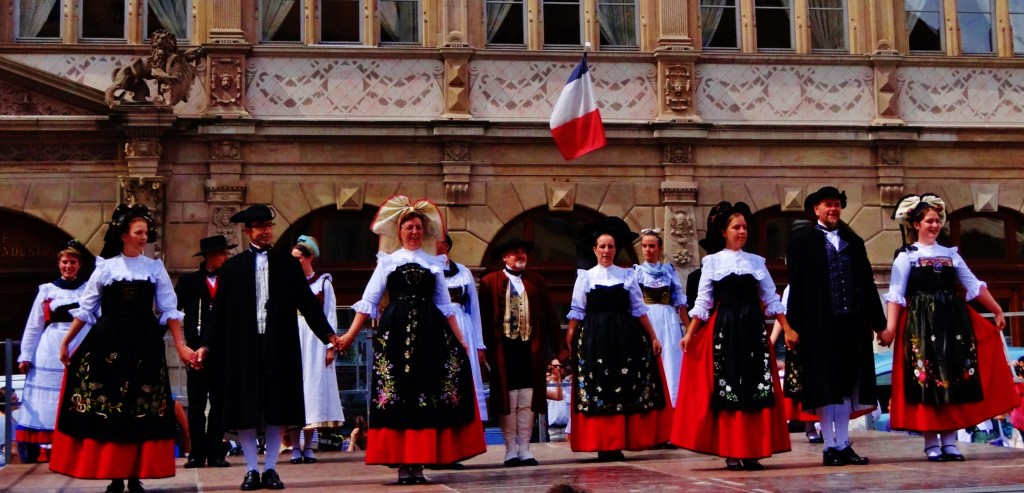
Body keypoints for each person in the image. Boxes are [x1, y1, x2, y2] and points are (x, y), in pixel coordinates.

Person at [336, 195, 485, 485]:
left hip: (430, 334)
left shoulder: (434, 263)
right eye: (409, 227)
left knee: (425, 395)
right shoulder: (388, 262)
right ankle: (403, 465)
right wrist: (350, 335)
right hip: (395, 334)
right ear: (399, 231)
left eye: (418, 227)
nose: (414, 232)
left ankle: (419, 464)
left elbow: (445, 306)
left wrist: (463, 341)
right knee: (398, 396)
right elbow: (369, 301)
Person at [50, 204, 196, 493]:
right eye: (139, 232)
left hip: (144, 344)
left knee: (140, 409)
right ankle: (115, 476)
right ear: (124, 235)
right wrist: (67, 341)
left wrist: (181, 345)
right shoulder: (105, 268)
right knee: (112, 409)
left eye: (146, 232)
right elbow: (87, 308)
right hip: (108, 344)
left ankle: (134, 475)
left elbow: (169, 309)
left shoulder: (154, 268)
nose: (144, 237)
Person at [197, 204, 343, 491]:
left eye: (269, 226)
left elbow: (307, 303)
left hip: (280, 344)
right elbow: (219, 312)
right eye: (261, 227)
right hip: (244, 346)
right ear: (247, 231)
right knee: (246, 406)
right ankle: (252, 469)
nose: (267, 231)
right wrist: (206, 346)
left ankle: (272, 468)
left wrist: (328, 335)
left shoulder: (287, 264)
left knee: (278, 405)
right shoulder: (233, 268)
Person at [880, 193, 1019, 462]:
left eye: (937, 220)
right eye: (929, 221)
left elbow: (972, 283)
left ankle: (950, 440)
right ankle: (931, 441)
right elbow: (895, 294)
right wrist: (890, 329)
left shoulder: (950, 254)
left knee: (954, 378)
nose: (935, 225)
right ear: (916, 224)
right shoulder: (906, 257)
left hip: (952, 324)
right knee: (927, 381)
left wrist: (996, 309)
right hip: (921, 325)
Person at [671, 201, 792, 471]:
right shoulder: (712, 262)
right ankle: (731, 450)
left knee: (755, 388)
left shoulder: (756, 262)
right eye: (736, 227)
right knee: (728, 389)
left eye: (745, 227)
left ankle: (752, 450)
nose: (742, 232)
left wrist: (787, 327)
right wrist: (690, 334)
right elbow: (703, 302)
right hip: (725, 328)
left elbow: (771, 298)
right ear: (724, 232)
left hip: (752, 328)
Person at [784, 186, 885, 466]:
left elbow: (867, 283)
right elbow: (797, 285)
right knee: (824, 385)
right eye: (828, 204)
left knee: (846, 386)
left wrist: (880, 324)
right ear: (816, 209)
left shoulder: (853, 240)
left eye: (837, 204)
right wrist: (792, 327)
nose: (833, 209)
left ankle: (843, 443)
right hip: (818, 325)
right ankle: (829, 445)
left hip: (851, 323)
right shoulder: (802, 239)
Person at [566, 216, 672, 461]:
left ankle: (618, 442)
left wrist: (653, 337)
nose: (606, 251)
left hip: (624, 337)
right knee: (598, 388)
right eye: (602, 246)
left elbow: (638, 309)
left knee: (622, 387)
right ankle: (602, 443)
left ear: (616, 250)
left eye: (611, 246)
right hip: (594, 337)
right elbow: (577, 310)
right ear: (595, 250)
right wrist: (569, 336)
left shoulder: (627, 275)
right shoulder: (585, 277)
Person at [480, 237, 568, 466]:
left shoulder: (536, 282)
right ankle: (510, 449)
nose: (520, 256)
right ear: (505, 257)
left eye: (523, 252)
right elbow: (483, 319)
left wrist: (559, 351)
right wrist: (482, 348)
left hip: (530, 349)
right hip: (504, 351)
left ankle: (525, 448)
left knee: (528, 398)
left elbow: (550, 318)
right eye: (515, 252)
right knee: (508, 399)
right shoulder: (489, 282)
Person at [15, 240, 95, 463]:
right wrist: (25, 355)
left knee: (80, 391)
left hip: (81, 341)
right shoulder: (47, 290)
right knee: (50, 396)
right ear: (59, 264)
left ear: (79, 265)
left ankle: (80, 442)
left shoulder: (88, 289)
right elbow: (34, 325)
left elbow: (98, 319)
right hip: (50, 346)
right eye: (65, 262)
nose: (68, 266)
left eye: (73, 262)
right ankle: (46, 447)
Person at [175, 235, 235, 469]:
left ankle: (216, 451)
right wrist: (183, 345)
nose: (226, 257)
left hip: (223, 349)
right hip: (195, 350)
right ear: (211, 256)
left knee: (219, 402)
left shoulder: (230, 281)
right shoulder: (189, 282)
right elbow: (173, 311)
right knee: (197, 403)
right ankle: (197, 452)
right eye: (223, 254)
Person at [287, 235, 345, 465]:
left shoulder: (323, 283)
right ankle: (294, 445)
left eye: (298, 258)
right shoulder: (289, 283)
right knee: (294, 389)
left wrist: (330, 346)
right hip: (294, 336)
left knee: (313, 390)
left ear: (310, 257)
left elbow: (330, 314)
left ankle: (309, 445)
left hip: (315, 339)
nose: (295, 263)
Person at [634, 228, 689, 408]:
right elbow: (633, 302)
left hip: (668, 320)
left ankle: (672, 403)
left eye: (651, 246)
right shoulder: (637, 272)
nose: (647, 250)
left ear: (659, 248)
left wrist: (689, 329)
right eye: (644, 246)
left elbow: (679, 301)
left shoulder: (669, 271)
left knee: (671, 359)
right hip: (646, 318)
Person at [436, 233, 488, 425]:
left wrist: (479, 343)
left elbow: (474, 308)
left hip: (462, 324)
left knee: (466, 370)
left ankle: (470, 416)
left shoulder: (463, 272)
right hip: (438, 324)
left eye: (439, 242)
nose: (435, 245)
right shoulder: (429, 270)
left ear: (447, 246)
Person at [545, 359, 571, 442]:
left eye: (561, 366)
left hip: (567, 430)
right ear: (550, 368)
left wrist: (558, 380)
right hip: (552, 430)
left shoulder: (568, 385)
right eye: (555, 366)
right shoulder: (547, 385)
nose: (558, 369)